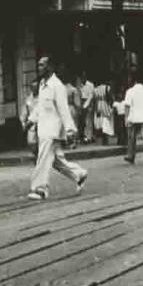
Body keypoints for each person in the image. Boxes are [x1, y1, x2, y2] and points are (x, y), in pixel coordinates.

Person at [27, 55, 87, 201]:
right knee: (56, 160)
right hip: (43, 129)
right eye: (39, 65)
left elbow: (64, 110)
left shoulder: (57, 86)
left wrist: (70, 130)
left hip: (52, 130)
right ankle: (78, 174)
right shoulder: (42, 84)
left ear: (50, 67)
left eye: (42, 65)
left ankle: (40, 189)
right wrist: (30, 121)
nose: (39, 68)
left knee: (43, 158)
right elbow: (40, 107)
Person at [122, 70, 143, 165]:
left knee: (131, 137)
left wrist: (126, 117)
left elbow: (127, 106)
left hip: (133, 117)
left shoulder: (130, 91)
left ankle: (130, 155)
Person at [92, 79, 115, 145]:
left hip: (99, 105)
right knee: (106, 122)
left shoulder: (95, 89)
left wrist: (96, 109)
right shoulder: (107, 87)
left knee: (100, 122)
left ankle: (101, 139)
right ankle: (106, 139)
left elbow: (95, 100)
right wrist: (111, 105)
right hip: (106, 105)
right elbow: (110, 97)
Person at [78, 71, 95, 143]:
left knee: (88, 121)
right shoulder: (79, 85)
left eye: (84, 77)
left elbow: (91, 96)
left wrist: (86, 105)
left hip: (88, 103)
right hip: (81, 103)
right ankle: (83, 136)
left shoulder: (90, 85)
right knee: (82, 121)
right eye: (81, 77)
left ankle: (89, 137)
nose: (83, 79)